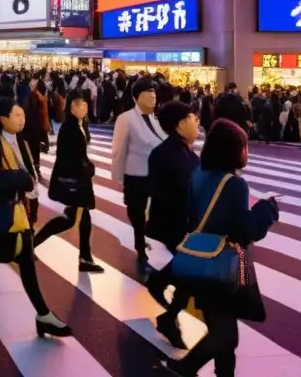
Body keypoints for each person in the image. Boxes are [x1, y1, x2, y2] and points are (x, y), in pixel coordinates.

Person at [165, 119, 279, 377]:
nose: (246, 152)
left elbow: (194, 216)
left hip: (199, 259)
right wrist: (267, 210)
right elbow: (246, 230)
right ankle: (183, 367)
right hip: (222, 265)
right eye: (244, 147)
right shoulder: (235, 184)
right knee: (225, 335)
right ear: (232, 151)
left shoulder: (199, 173)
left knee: (223, 331)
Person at [0, 97, 70, 338]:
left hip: (13, 216)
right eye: (16, 116)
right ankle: (41, 315)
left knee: (13, 261)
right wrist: (19, 178)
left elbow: (27, 171)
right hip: (0, 217)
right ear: (2, 119)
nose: (22, 119)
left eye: (22, 115)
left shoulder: (19, 142)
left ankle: (42, 314)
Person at [144, 100, 201, 350]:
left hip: (184, 224)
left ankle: (167, 309)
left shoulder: (187, 151)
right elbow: (168, 195)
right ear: (180, 125)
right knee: (191, 273)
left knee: (190, 274)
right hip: (173, 225)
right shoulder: (167, 154)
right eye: (192, 117)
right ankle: (168, 315)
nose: (197, 121)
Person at [33, 88, 103, 273]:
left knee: (80, 218)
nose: (86, 109)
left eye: (86, 105)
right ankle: (31, 245)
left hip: (77, 181)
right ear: (73, 108)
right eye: (82, 106)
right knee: (70, 220)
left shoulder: (76, 124)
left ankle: (85, 257)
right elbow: (71, 157)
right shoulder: (70, 127)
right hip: (75, 182)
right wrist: (89, 168)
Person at [111, 77, 165, 272]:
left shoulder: (153, 118)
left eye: (154, 92)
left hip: (153, 175)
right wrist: (120, 177)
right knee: (137, 212)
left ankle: (146, 240)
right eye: (147, 93)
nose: (153, 96)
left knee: (155, 211)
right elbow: (118, 149)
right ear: (136, 97)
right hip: (135, 175)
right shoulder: (126, 118)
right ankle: (140, 247)